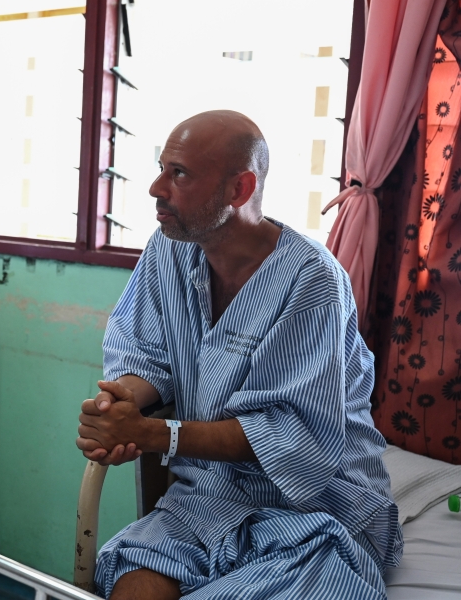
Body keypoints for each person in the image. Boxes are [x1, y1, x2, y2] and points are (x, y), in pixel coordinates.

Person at [76, 110, 402, 600]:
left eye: (178, 173)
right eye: (161, 167)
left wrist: (149, 433)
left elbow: (292, 437)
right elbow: (146, 357)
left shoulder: (311, 281)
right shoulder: (168, 250)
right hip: (206, 495)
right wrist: (117, 406)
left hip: (316, 509)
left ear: (239, 189)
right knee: (133, 587)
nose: (155, 187)